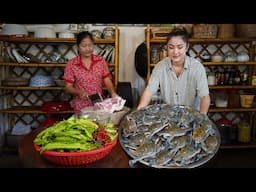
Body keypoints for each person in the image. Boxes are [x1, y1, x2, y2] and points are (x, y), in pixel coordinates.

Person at [137, 27, 210, 114]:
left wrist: (202, 118)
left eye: (180, 47)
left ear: (186, 47)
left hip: (192, 115)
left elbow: (205, 96)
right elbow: (149, 91)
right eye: (171, 47)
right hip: (169, 115)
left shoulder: (197, 68)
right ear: (167, 48)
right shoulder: (160, 66)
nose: (175, 52)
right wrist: (139, 111)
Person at [63, 31, 118, 113]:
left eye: (90, 45)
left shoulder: (100, 61)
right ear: (78, 47)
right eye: (84, 46)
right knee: (84, 125)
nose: (88, 48)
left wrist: (113, 93)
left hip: (98, 103)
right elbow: (68, 87)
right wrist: (79, 92)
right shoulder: (72, 64)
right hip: (80, 105)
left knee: (99, 125)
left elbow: (107, 80)